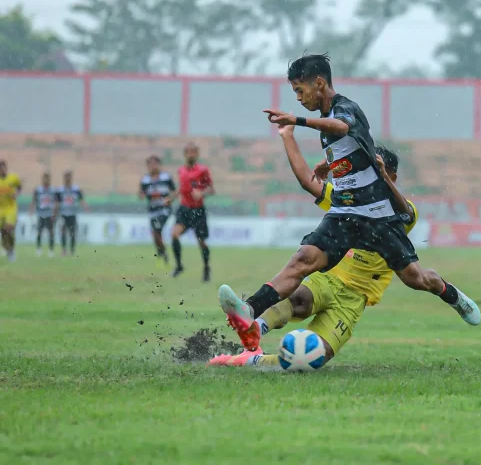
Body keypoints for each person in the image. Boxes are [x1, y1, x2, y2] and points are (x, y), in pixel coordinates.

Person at [217, 53, 480, 353]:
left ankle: (451, 294)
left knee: (415, 278)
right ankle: (248, 311)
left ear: (319, 83)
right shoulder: (328, 123)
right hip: (343, 214)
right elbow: (351, 149)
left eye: (300, 91)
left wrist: (297, 121)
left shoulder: (345, 109)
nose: (299, 98)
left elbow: (343, 128)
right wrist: (326, 166)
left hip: (376, 215)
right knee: (303, 259)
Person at [210, 126, 420, 367]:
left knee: (311, 358)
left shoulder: (404, 213)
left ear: (391, 177)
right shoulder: (348, 201)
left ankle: (249, 360)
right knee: (299, 299)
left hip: (354, 300)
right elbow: (307, 181)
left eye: (378, 173)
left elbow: (405, 212)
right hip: (327, 279)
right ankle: (254, 328)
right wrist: (287, 136)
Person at [165, 143, 214, 282]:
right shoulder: (181, 171)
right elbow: (181, 188)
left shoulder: (203, 171)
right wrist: (171, 198)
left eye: (193, 152)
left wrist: (202, 192)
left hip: (198, 210)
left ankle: (206, 268)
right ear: (184, 154)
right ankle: (179, 265)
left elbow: (211, 189)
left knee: (202, 242)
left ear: (197, 154)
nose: (190, 155)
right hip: (184, 209)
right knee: (174, 235)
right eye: (188, 152)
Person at [139, 156, 177, 268]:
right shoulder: (145, 180)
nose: (153, 167)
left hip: (164, 210)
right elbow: (141, 193)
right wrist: (144, 195)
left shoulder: (166, 177)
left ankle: (163, 254)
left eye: (155, 164)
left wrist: (169, 199)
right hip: (152, 210)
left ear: (159, 165)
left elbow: (174, 192)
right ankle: (162, 254)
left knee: (156, 231)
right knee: (156, 235)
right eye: (150, 164)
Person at [55, 171, 87, 256]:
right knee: (63, 232)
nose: (67, 179)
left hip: (72, 214)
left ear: (71, 178)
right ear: (64, 179)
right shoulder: (60, 190)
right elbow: (57, 203)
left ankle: (72, 250)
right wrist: (55, 213)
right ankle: (63, 250)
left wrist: (85, 207)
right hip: (63, 214)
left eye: (69, 177)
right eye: (66, 177)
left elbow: (81, 200)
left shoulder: (76, 189)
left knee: (73, 232)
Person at [29, 172, 57, 257]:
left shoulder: (53, 190)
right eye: (45, 178)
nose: (46, 180)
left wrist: (55, 213)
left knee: (51, 232)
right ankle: (38, 249)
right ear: (42, 179)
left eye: (48, 178)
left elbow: (56, 202)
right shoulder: (38, 190)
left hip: (49, 214)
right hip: (40, 214)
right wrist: (31, 209)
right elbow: (34, 200)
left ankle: (51, 250)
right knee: (39, 232)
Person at [0, 160, 22, 263]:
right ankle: (7, 248)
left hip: (11, 208)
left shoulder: (13, 178)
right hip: (1, 209)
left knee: (8, 228)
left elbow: (19, 186)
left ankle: (11, 250)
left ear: (6, 168)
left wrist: (16, 193)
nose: (2, 169)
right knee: (3, 232)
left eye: (3, 167)